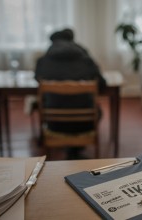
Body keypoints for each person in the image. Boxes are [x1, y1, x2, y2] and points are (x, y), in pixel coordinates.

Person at [35, 28, 107, 159]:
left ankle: (66, 147)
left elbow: (37, 83)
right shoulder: (86, 60)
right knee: (97, 110)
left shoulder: (43, 62)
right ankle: (76, 148)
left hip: (53, 123)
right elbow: (102, 85)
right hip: (86, 123)